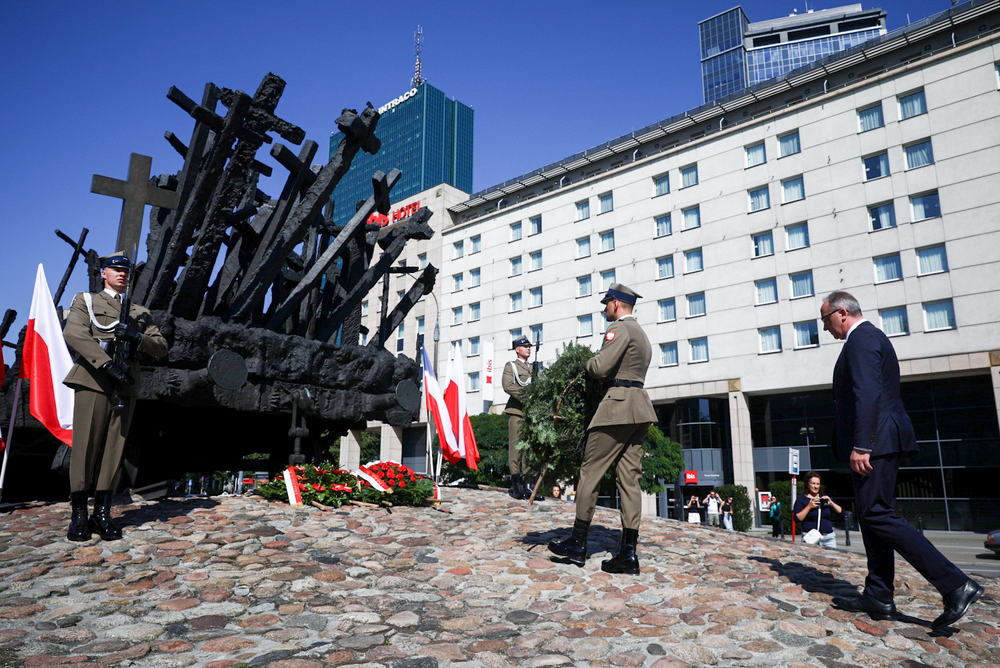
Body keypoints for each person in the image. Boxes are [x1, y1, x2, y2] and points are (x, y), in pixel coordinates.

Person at [821, 291, 982, 629]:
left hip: (875, 442)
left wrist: (862, 445)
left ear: (841, 313)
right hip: (880, 439)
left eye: (826, 320)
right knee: (872, 515)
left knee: (876, 513)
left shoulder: (862, 339)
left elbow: (867, 393)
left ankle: (956, 585)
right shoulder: (868, 337)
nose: (825, 328)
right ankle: (879, 595)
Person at [549, 283, 656, 574]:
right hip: (639, 408)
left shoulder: (620, 329)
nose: (604, 308)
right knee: (629, 481)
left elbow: (599, 368)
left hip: (616, 408)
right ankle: (628, 554)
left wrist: (585, 362)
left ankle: (578, 544)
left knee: (590, 472)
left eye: (606, 303)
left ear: (616, 304)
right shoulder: (643, 335)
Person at [63, 253, 168, 541]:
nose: (121, 274)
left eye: (126, 271)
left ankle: (103, 514)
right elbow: (75, 334)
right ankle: (79, 515)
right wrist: (106, 364)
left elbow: (160, 346)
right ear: (104, 273)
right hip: (95, 380)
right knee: (85, 448)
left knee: (113, 450)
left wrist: (137, 337)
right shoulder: (86, 301)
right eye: (115, 269)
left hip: (125, 385)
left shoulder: (139, 312)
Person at [503, 335, 538, 500]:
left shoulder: (534, 368)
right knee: (516, 450)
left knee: (529, 451)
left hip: (532, 415)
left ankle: (528, 486)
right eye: (525, 346)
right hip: (517, 412)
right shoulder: (511, 366)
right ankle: (517, 486)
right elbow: (508, 385)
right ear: (517, 349)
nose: (528, 349)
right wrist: (527, 398)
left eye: (529, 346)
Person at [794, 472, 842, 548]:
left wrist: (831, 503)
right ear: (808, 484)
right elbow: (797, 519)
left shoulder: (824, 498)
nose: (816, 486)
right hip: (811, 538)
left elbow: (841, 512)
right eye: (813, 483)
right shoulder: (801, 499)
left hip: (828, 538)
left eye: (818, 484)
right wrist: (809, 507)